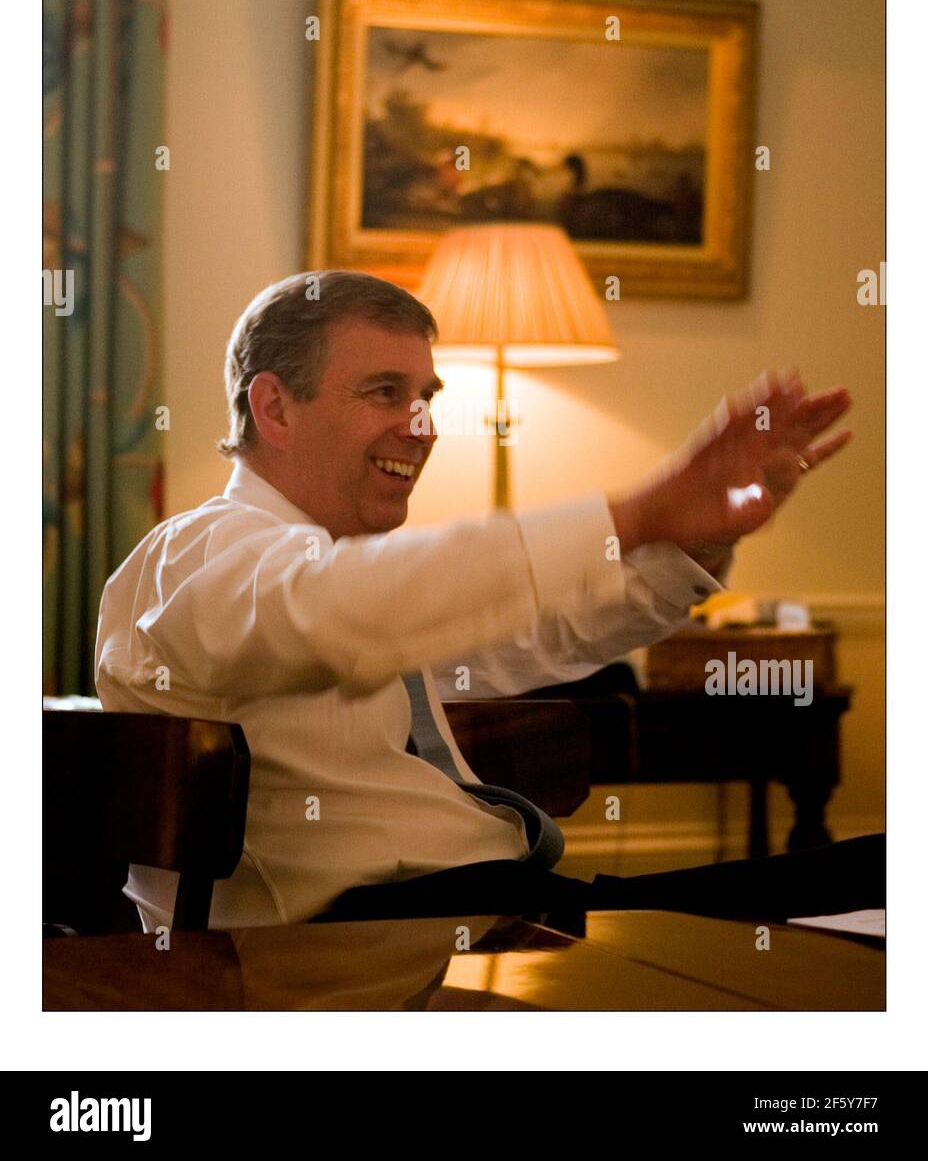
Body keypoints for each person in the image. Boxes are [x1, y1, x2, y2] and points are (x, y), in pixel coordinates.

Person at [95, 270, 882, 931]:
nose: (423, 426)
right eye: (384, 391)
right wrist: (637, 511)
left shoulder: (335, 571)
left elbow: (537, 635)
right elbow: (337, 616)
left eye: (427, 396)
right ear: (274, 408)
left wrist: (692, 543)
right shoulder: (200, 554)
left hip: (487, 914)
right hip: (361, 955)